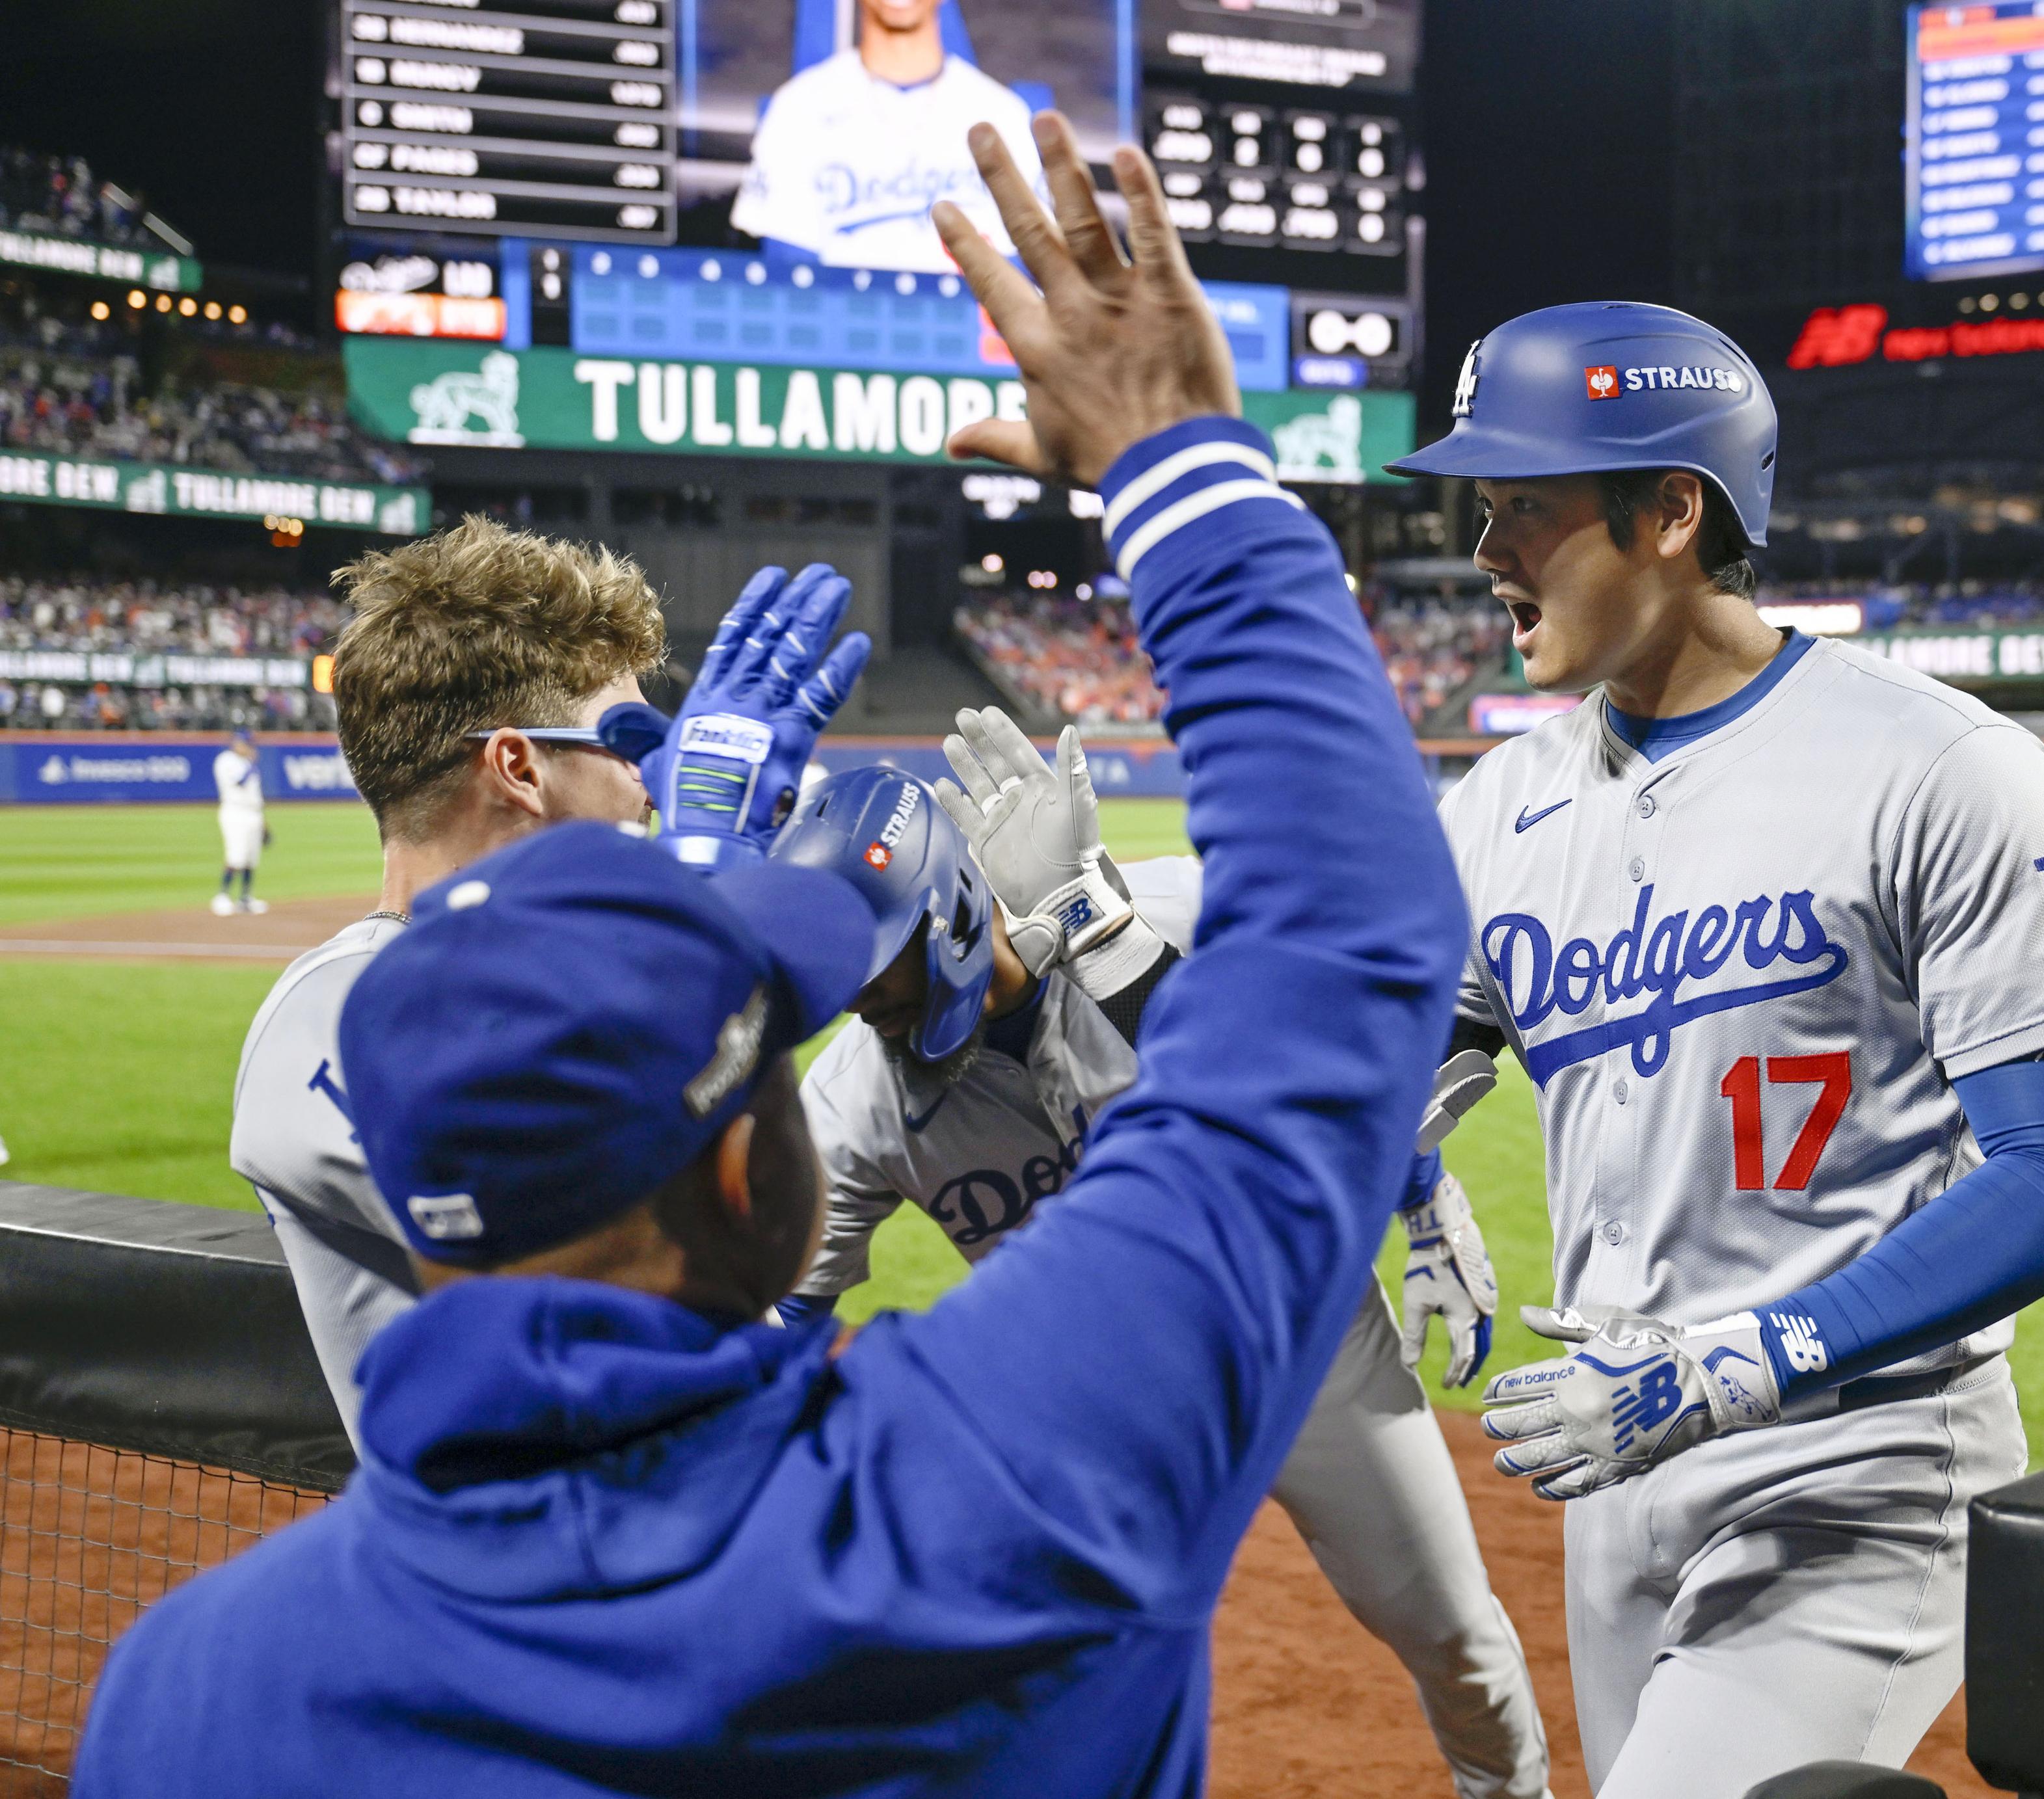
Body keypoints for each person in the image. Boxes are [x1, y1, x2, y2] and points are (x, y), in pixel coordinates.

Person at [77, 113, 1467, 1796]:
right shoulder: (1006, 1486)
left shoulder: (195, 1690)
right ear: (751, 1169)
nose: (665, 767)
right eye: (631, 736)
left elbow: (527, 1078)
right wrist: (1177, 467)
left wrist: (701, 905)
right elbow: (1349, 935)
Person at [1386, 304, 2044, 1797]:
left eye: (1520, 506)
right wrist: (1407, 1184)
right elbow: (1386, 1062)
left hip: (1857, 1457)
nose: (1483, 556)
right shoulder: (1495, 808)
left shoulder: (1937, 767)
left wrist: (1734, 1367)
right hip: (1610, 1468)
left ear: (1668, 510)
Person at [773, 736, 1549, 1799]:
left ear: (943, 910)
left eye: (872, 965)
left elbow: (1332, 1062)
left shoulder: (1165, 915)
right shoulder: (855, 1101)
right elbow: (767, 1319)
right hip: (1094, 1408)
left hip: (1298, 1342)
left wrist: (1417, 1196)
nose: (858, 1002)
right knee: (1050, 1685)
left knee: (1454, 1635)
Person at [228, 514, 867, 1433]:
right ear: (519, 765)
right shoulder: (332, 1014)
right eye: (632, 743)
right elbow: (636, 1237)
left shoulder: (520, 989)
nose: (657, 785)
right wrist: (702, 887)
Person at [731, 0, 1045, 271]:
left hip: (968, 333)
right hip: (846, 330)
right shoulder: (799, 108)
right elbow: (790, 281)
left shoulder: (1003, 116)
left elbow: (1030, 276)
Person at [210, 726, 267, 916]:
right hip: (235, 813)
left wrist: (264, 823)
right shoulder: (226, 760)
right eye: (245, 744)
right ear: (236, 743)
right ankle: (222, 897)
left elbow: (255, 796)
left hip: (253, 814)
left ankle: (245, 898)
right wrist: (252, 763)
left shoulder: (247, 762)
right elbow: (239, 782)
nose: (249, 747)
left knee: (251, 858)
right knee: (236, 855)